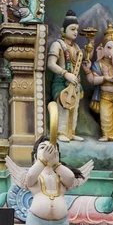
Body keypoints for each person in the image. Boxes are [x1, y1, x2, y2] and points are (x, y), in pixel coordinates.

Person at [6, 136, 93, 225]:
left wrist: (55, 164)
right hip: (36, 220)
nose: (47, 151)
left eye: (52, 149)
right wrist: (42, 161)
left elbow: (71, 178)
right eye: (42, 148)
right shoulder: (34, 174)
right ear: (35, 156)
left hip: (60, 222)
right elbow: (29, 178)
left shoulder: (61, 173)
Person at [47, 10, 84, 142]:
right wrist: (65, 74)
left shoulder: (77, 48)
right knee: (63, 106)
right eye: (72, 29)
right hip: (61, 81)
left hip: (74, 83)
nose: (75, 32)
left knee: (74, 108)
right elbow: (51, 64)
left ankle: (71, 132)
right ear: (63, 30)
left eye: (77, 29)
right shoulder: (57, 44)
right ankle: (60, 132)